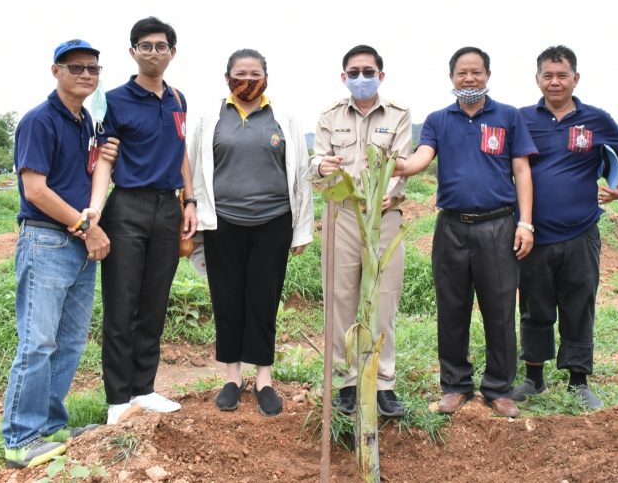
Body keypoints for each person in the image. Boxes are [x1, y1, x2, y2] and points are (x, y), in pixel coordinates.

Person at [396, 46, 535, 418]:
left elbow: (522, 170)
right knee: (452, 308)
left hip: (499, 225)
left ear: (488, 75)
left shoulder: (508, 117)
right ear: (451, 78)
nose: (469, 78)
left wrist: (525, 222)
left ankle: (499, 388)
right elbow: (422, 157)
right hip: (452, 227)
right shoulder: (438, 120)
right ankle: (455, 385)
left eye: (476, 72)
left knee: (501, 309)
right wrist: (397, 166)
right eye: (462, 73)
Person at [2, 39, 118, 468]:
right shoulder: (39, 120)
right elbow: (35, 190)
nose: (86, 74)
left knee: (68, 342)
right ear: (56, 71)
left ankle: (50, 426)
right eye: (76, 68)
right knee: (38, 341)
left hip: (76, 243)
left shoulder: (86, 121)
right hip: (48, 239)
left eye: (92, 68)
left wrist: (89, 221)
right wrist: (87, 227)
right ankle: (19, 438)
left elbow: (95, 172)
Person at [190, 48, 313, 416]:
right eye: (240, 73)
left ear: (266, 77)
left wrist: (301, 228)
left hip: (273, 222)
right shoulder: (210, 117)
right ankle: (231, 377)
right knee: (227, 299)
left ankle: (264, 379)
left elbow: (301, 174)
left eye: (255, 73)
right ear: (227, 77)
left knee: (263, 301)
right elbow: (195, 167)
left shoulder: (283, 117)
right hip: (223, 222)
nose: (247, 79)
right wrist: (193, 210)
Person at [515, 45, 618, 409]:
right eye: (548, 76)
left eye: (562, 75)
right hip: (533, 233)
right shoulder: (520, 119)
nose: (555, 82)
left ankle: (578, 381)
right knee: (534, 305)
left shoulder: (596, 119)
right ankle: (533, 378)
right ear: (538, 79)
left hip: (582, 231)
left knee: (579, 303)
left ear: (575, 78)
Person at [89, 17, 197, 425]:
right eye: (145, 46)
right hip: (127, 207)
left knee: (154, 302)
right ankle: (119, 399)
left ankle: (144, 388)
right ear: (133, 51)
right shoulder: (113, 100)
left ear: (173, 51)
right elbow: (103, 155)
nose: (154, 52)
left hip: (168, 208)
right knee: (122, 304)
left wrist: (190, 200)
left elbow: (181, 152)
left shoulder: (178, 100)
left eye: (161, 45)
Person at [312, 45, 412, 418]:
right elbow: (317, 158)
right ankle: (346, 383)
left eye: (368, 71)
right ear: (344, 77)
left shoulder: (399, 116)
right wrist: (322, 166)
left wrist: (380, 197)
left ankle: (383, 383)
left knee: (384, 300)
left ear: (380, 76)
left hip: (383, 217)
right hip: (342, 216)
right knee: (340, 300)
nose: (361, 78)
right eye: (353, 72)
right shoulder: (329, 116)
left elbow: (398, 163)